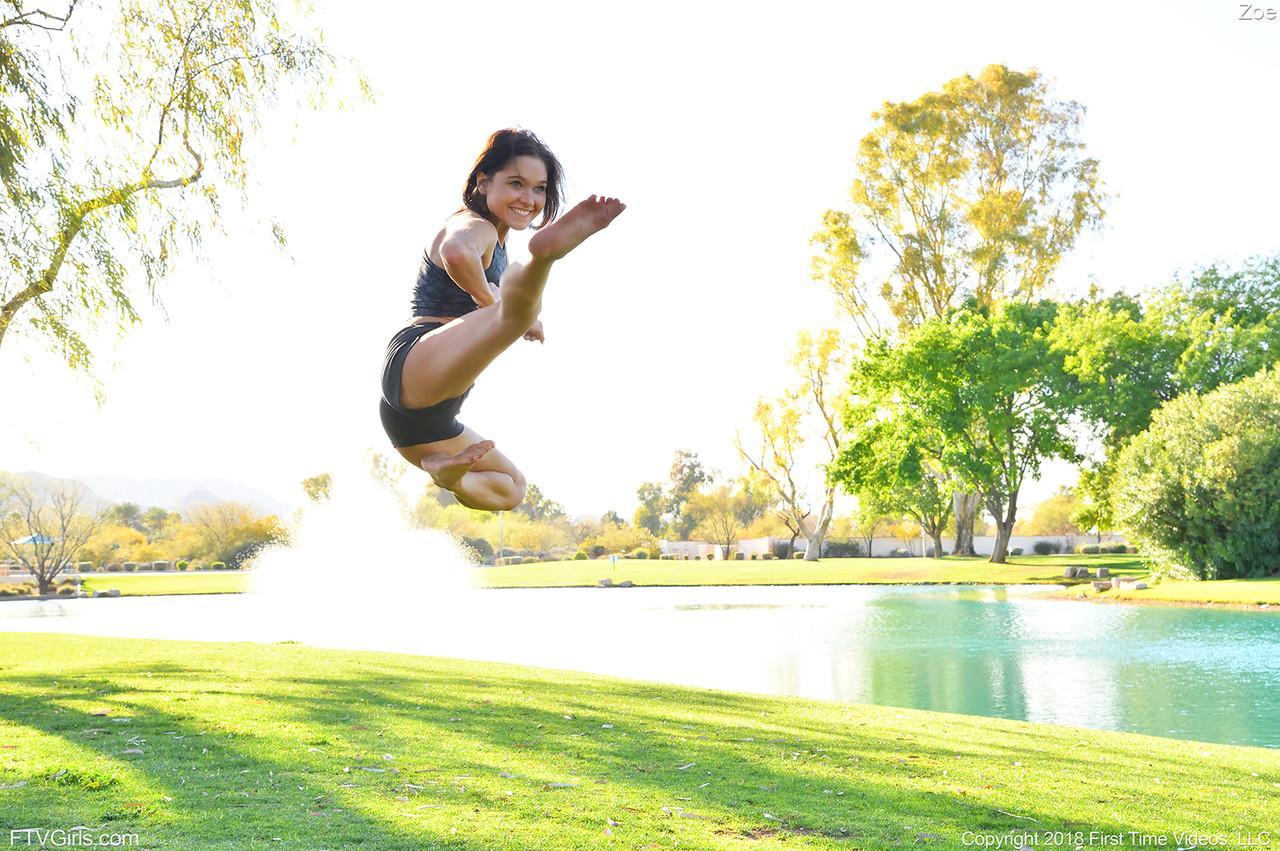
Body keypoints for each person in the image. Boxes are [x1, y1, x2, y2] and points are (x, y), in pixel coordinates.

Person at [379, 129, 625, 510]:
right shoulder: (475, 226)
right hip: (416, 361)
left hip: (424, 425)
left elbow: (498, 301)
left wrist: (519, 318)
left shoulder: (496, 241)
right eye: (516, 183)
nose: (529, 199)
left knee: (511, 489)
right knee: (514, 312)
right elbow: (457, 253)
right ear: (483, 181)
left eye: (539, 189)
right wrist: (492, 303)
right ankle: (546, 257)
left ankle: (448, 474)